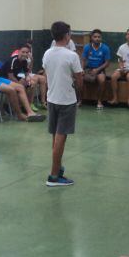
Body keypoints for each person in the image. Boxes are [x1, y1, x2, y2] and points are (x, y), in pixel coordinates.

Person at [42, 21, 83, 186]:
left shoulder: (47, 53)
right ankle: (53, 176)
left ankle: (57, 168)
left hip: (52, 98)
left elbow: (47, 75)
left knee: (55, 136)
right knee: (61, 137)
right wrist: (80, 96)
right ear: (67, 36)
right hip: (66, 101)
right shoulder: (72, 56)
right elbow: (79, 79)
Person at [1, 43, 48, 108]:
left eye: (27, 52)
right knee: (21, 85)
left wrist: (28, 78)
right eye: (23, 52)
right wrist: (19, 83)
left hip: (14, 78)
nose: (25, 54)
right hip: (3, 79)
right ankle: (9, 105)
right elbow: (10, 77)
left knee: (32, 83)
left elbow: (27, 73)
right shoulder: (13, 60)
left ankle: (28, 104)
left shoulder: (24, 61)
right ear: (19, 51)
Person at [81, 29, 110, 109]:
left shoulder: (105, 48)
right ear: (91, 38)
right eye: (95, 37)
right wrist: (82, 70)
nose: (97, 38)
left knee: (102, 79)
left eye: (99, 37)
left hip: (99, 69)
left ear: (101, 38)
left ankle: (99, 101)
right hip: (88, 69)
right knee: (79, 78)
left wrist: (97, 70)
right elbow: (83, 59)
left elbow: (107, 63)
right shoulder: (87, 47)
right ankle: (79, 100)